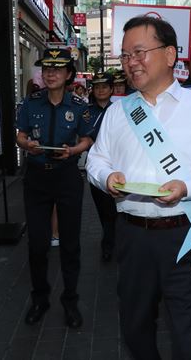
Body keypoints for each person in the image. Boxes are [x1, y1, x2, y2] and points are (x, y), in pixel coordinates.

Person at [86, 16, 191, 359]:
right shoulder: (118, 112)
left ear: (170, 55)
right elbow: (97, 160)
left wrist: (188, 186)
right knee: (136, 327)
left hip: (186, 234)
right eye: (125, 56)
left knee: (190, 333)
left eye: (139, 52)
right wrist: (106, 178)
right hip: (132, 236)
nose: (131, 63)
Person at [15, 47, 93, 327]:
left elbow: (87, 140)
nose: (50, 73)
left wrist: (73, 151)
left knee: (70, 245)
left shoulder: (79, 106)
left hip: (67, 178)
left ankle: (70, 301)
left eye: (57, 69)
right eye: (46, 69)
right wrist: (27, 145)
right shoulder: (31, 103)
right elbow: (20, 136)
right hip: (36, 180)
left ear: (69, 74)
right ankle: (40, 299)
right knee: (37, 245)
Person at [86, 71, 117, 262]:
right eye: (97, 87)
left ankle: (112, 243)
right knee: (103, 210)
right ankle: (109, 242)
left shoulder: (120, 110)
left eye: (105, 86)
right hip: (96, 168)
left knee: (115, 210)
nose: (101, 90)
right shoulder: (86, 112)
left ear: (111, 89)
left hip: (117, 166)